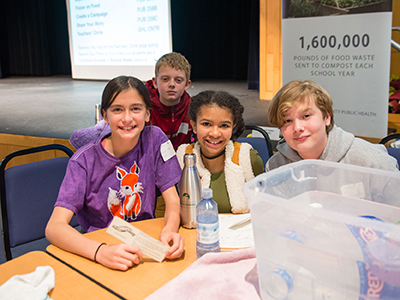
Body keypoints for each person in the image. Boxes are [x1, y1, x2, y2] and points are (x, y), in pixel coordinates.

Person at [46, 76, 184, 271]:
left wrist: (170, 230)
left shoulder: (155, 140)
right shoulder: (83, 161)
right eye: (117, 109)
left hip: (143, 244)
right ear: (105, 115)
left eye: (136, 109)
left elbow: (172, 200)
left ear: (147, 114)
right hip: (101, 248)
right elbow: (54, 227)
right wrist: (100, 252)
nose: (127, 118)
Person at [266, 80, 399, 172]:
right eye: (287, 121)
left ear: (327, 117)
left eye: (306, 116)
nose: (297, 127)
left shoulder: (371, 161)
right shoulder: (275, 167)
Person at [69, 52, 193, 151]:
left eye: (178, 80)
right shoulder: (141, 104)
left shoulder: (192, 108)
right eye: (165, 79)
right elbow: (78, 138)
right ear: (155, 82)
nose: (171, 84)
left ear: (187, 84)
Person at [176, 91, 264, 214]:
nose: (215, 133)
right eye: (206, 124)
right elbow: (165, 208)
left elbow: (265, 208)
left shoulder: (248, 159)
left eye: (224, 125)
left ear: (233, 127)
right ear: (194, 126)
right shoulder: (181, 160)